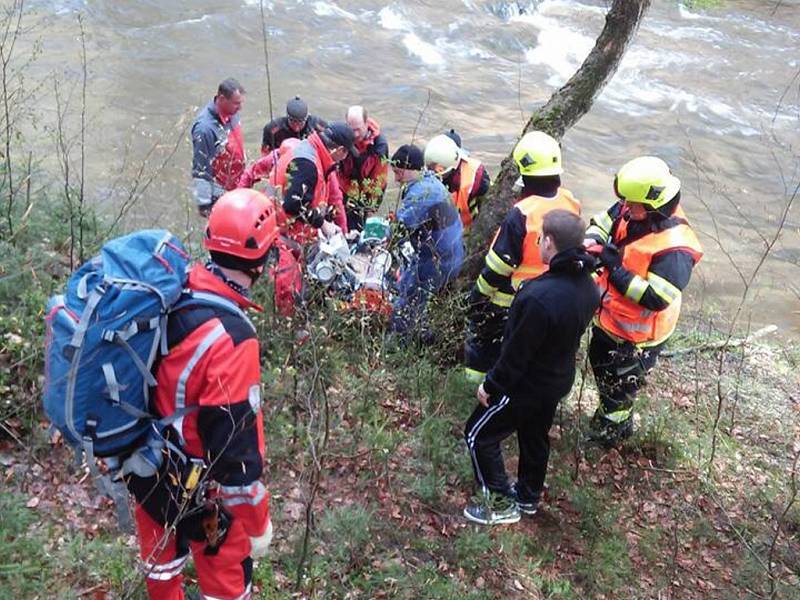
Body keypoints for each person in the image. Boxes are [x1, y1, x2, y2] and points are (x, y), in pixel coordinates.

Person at [125, 188, 278, 600]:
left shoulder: (175, 289)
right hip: (198, 491)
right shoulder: (232, 338)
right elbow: (235, 456)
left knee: (160, 566)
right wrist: (258, 525)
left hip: (144, 465)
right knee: (226, 585)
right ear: (263, 259)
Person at [463, 210, 600, 525]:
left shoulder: (538, 296)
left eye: (540, 238)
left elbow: (516, 353)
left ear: (549, 242)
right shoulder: (587, 286)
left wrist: (491, 385)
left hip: (525, 385)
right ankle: (527, 496)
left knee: (477, 434)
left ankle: (499, 504)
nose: (537, 243)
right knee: (534, 436)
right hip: (555, 381)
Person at [585, 156, 703, 446]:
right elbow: (603, 221)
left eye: (633, 205)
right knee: (601, 369)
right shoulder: (634, 205)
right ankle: (611, 417)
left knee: (619, 391)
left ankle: (611, 433)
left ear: (654, 203)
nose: (627, 208)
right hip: (611, 321)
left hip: (637, 340)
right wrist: (591, 242)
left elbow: (655, 298)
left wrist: (616, 269)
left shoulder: (676, 249)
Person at [464, 131, 581, 383]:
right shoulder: (570, 202)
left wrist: (478, 296)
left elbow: (499, 265)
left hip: (510, 298)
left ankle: (472, 388)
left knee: (484, 345)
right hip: (554, 295)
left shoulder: (521, 213)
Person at [269, 122, 357, 316]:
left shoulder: (311, 151)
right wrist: (322, 223)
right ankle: (292, 329)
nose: (346, 158)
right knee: (289, 294)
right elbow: (292, 205)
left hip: (285, 232)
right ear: (340, 150)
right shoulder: (308, 163)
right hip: (283, 237)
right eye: (347, 153)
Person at [389, 144, 464, 340]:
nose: (396, 179)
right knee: (404, 285)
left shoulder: (421, 196)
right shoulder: (430, 180)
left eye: (397, 172)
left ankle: (405, 346)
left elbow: (396, 231)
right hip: (450, 254)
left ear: (409, 169)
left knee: (405, 307)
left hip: (438, 262)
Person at [191, 78, 247, 216]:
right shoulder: (205, 129)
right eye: (236, 104)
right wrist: (205, 205)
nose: (240, 108)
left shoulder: (232, 113)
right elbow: (201, 169)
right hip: (220, 192)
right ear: (222, 99)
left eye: (240, 103)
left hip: (237, 183)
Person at [424, 130, 490, 230]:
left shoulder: (475, 177)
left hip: (468, 228)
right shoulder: (430, 163)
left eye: (438, 172)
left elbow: (489, 206)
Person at [338, 105, 389, 231]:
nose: (354, 134)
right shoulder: (342, 135)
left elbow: (378, 182)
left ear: (366, 124)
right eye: (351, 129)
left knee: (359, 226)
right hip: (345, 187)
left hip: (367, 191)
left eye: (358, 129)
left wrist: (370, 210)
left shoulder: (379, 147)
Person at [261, 95, 327, 155]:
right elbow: (265, 153)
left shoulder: (317, 126)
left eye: (300, 123)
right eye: (293, 122)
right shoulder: (273, 129)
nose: (297, 128)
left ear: (307, 118)